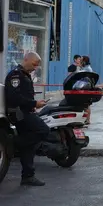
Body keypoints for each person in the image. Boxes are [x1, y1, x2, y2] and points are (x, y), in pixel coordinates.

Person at [4, 52, 50, 186]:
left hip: (26, 112)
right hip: (19, 114)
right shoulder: (16, 75)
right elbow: (14, 97)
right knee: (43, 130)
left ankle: (28, 176)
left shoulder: (25, 75)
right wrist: (34, 104)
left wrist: (34, 105)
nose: (35, 68)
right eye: (34, 64)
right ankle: (13, 142)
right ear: (26, 59)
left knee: (29, 146)